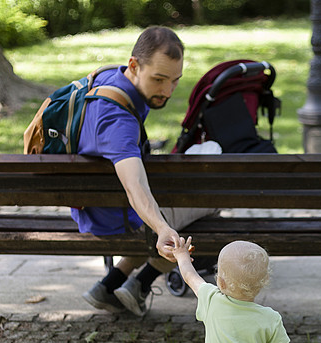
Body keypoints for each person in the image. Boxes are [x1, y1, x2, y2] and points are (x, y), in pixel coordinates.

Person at [74, 26, 217, 316]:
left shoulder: (109, 78)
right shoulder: (118, 121)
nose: (167, 91)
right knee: (212, 206)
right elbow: (134, 186)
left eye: (175, 81)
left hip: (95, 205)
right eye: (159, 79)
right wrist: (162, 228)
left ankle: (110, 284)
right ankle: (141, 283)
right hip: (113, 218)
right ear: (134, 65)